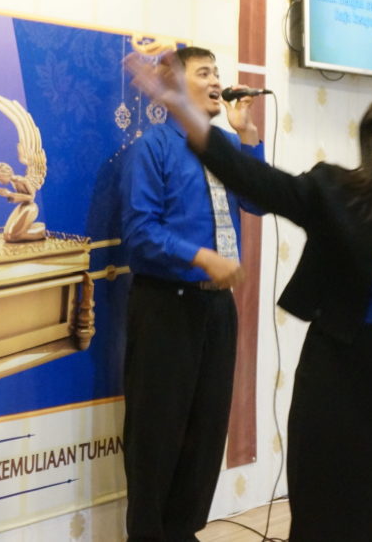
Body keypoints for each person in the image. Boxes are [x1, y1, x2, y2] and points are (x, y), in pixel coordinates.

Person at [126, 53, 372, 542]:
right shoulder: (335, 190)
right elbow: (255, 182)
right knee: (331, 511)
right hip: (340, 378)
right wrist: (183, 109)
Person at [119, 46, 264, 541]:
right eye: (204, 72)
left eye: (218, 72)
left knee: (206, 433)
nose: (217, 81)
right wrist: (201, 256)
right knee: (157, 434)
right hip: (166, 304)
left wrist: (248, 137)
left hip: (218, 308)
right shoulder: (154, 147)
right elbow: (139, 233)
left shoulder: (224, 146)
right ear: (175, 87)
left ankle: (183, 532)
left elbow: (257, 202)